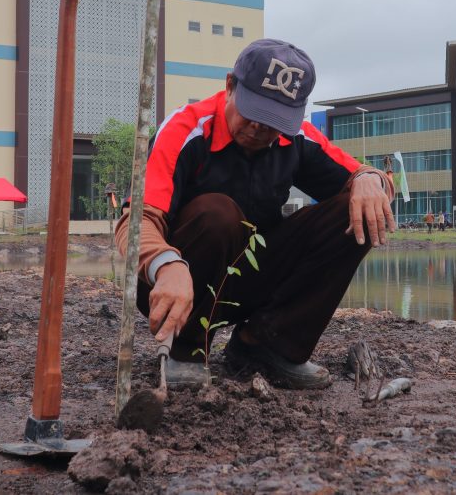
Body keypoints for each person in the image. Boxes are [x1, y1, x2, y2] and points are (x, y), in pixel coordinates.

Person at [114, 39, 394, 390]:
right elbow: (135, 223)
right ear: (230, 86)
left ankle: (266, 344)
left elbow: (358, 174)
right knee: (217, 212)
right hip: (176, 286)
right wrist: (165, 264)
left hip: (254, 277)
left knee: (356, 209)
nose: (261, 130)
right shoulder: (185, 130)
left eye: (274, 121)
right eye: (254, 114)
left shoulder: (295, 139)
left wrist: (370, 179)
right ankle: (185, 349)